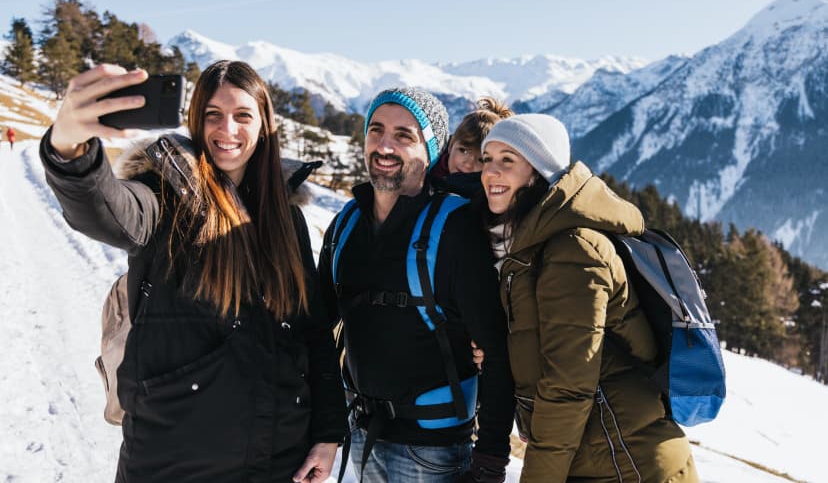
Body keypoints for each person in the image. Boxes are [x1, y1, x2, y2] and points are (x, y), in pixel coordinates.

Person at [40, 61, 347, 483]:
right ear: (195, 120)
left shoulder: (285, 216)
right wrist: (69, 151)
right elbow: (104, 210)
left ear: (264, 126)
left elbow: (313, 332)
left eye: (243, 116)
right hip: (174, 462)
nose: (228, 130)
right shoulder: (161, 197)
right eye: (213, 115)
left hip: (281, 463)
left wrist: (328, 433)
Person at [479, 113, 699, 483]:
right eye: (487, 159)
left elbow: (569, 386)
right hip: (601, 457)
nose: (490, 172)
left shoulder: (573, 251)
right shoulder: (535, 246)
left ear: (538, 171)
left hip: (627, 463)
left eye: (507, 160)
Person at [318, 87, 514, 482]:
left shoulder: (456, 227)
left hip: (434, 450)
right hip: (360, 435)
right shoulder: (346, 225)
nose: (385, 145)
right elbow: (316, 331)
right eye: (375, 131)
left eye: (404, 135)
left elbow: (495, 352)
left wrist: (491, 460)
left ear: (432, 149)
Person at [430, 97, 513, 198]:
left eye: (481, 160)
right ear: (451, 145)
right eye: (463, 151)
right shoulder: (427, 171)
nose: (468, 164)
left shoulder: (487, 195)